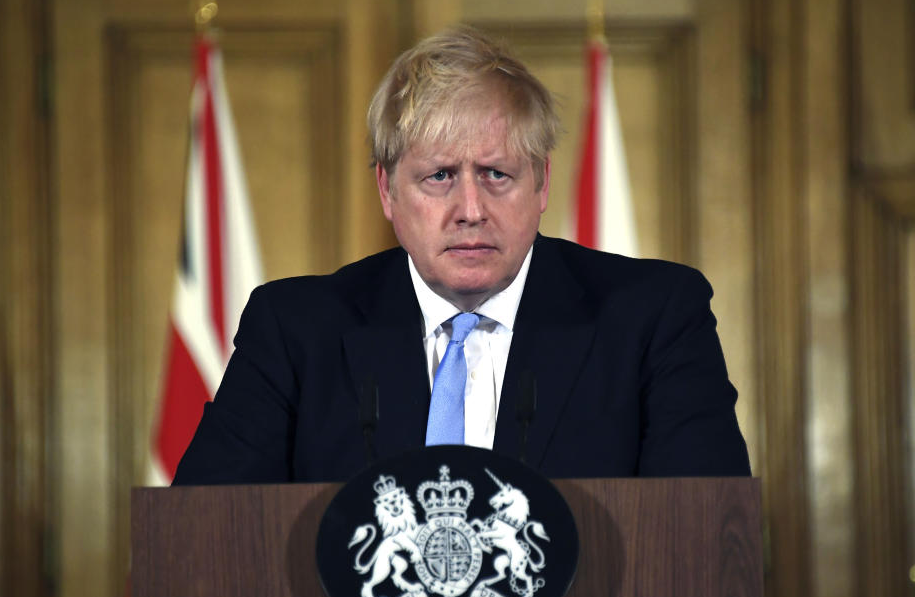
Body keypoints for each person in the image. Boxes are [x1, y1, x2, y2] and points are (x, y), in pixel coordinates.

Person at [173, 26, 751, 485]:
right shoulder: (296, 331)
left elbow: (699, 536)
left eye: (496, 174)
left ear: (542, 183)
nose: (470, 208)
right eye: (439, 176)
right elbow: (207, 535)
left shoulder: (654, 317)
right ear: (387, 190)